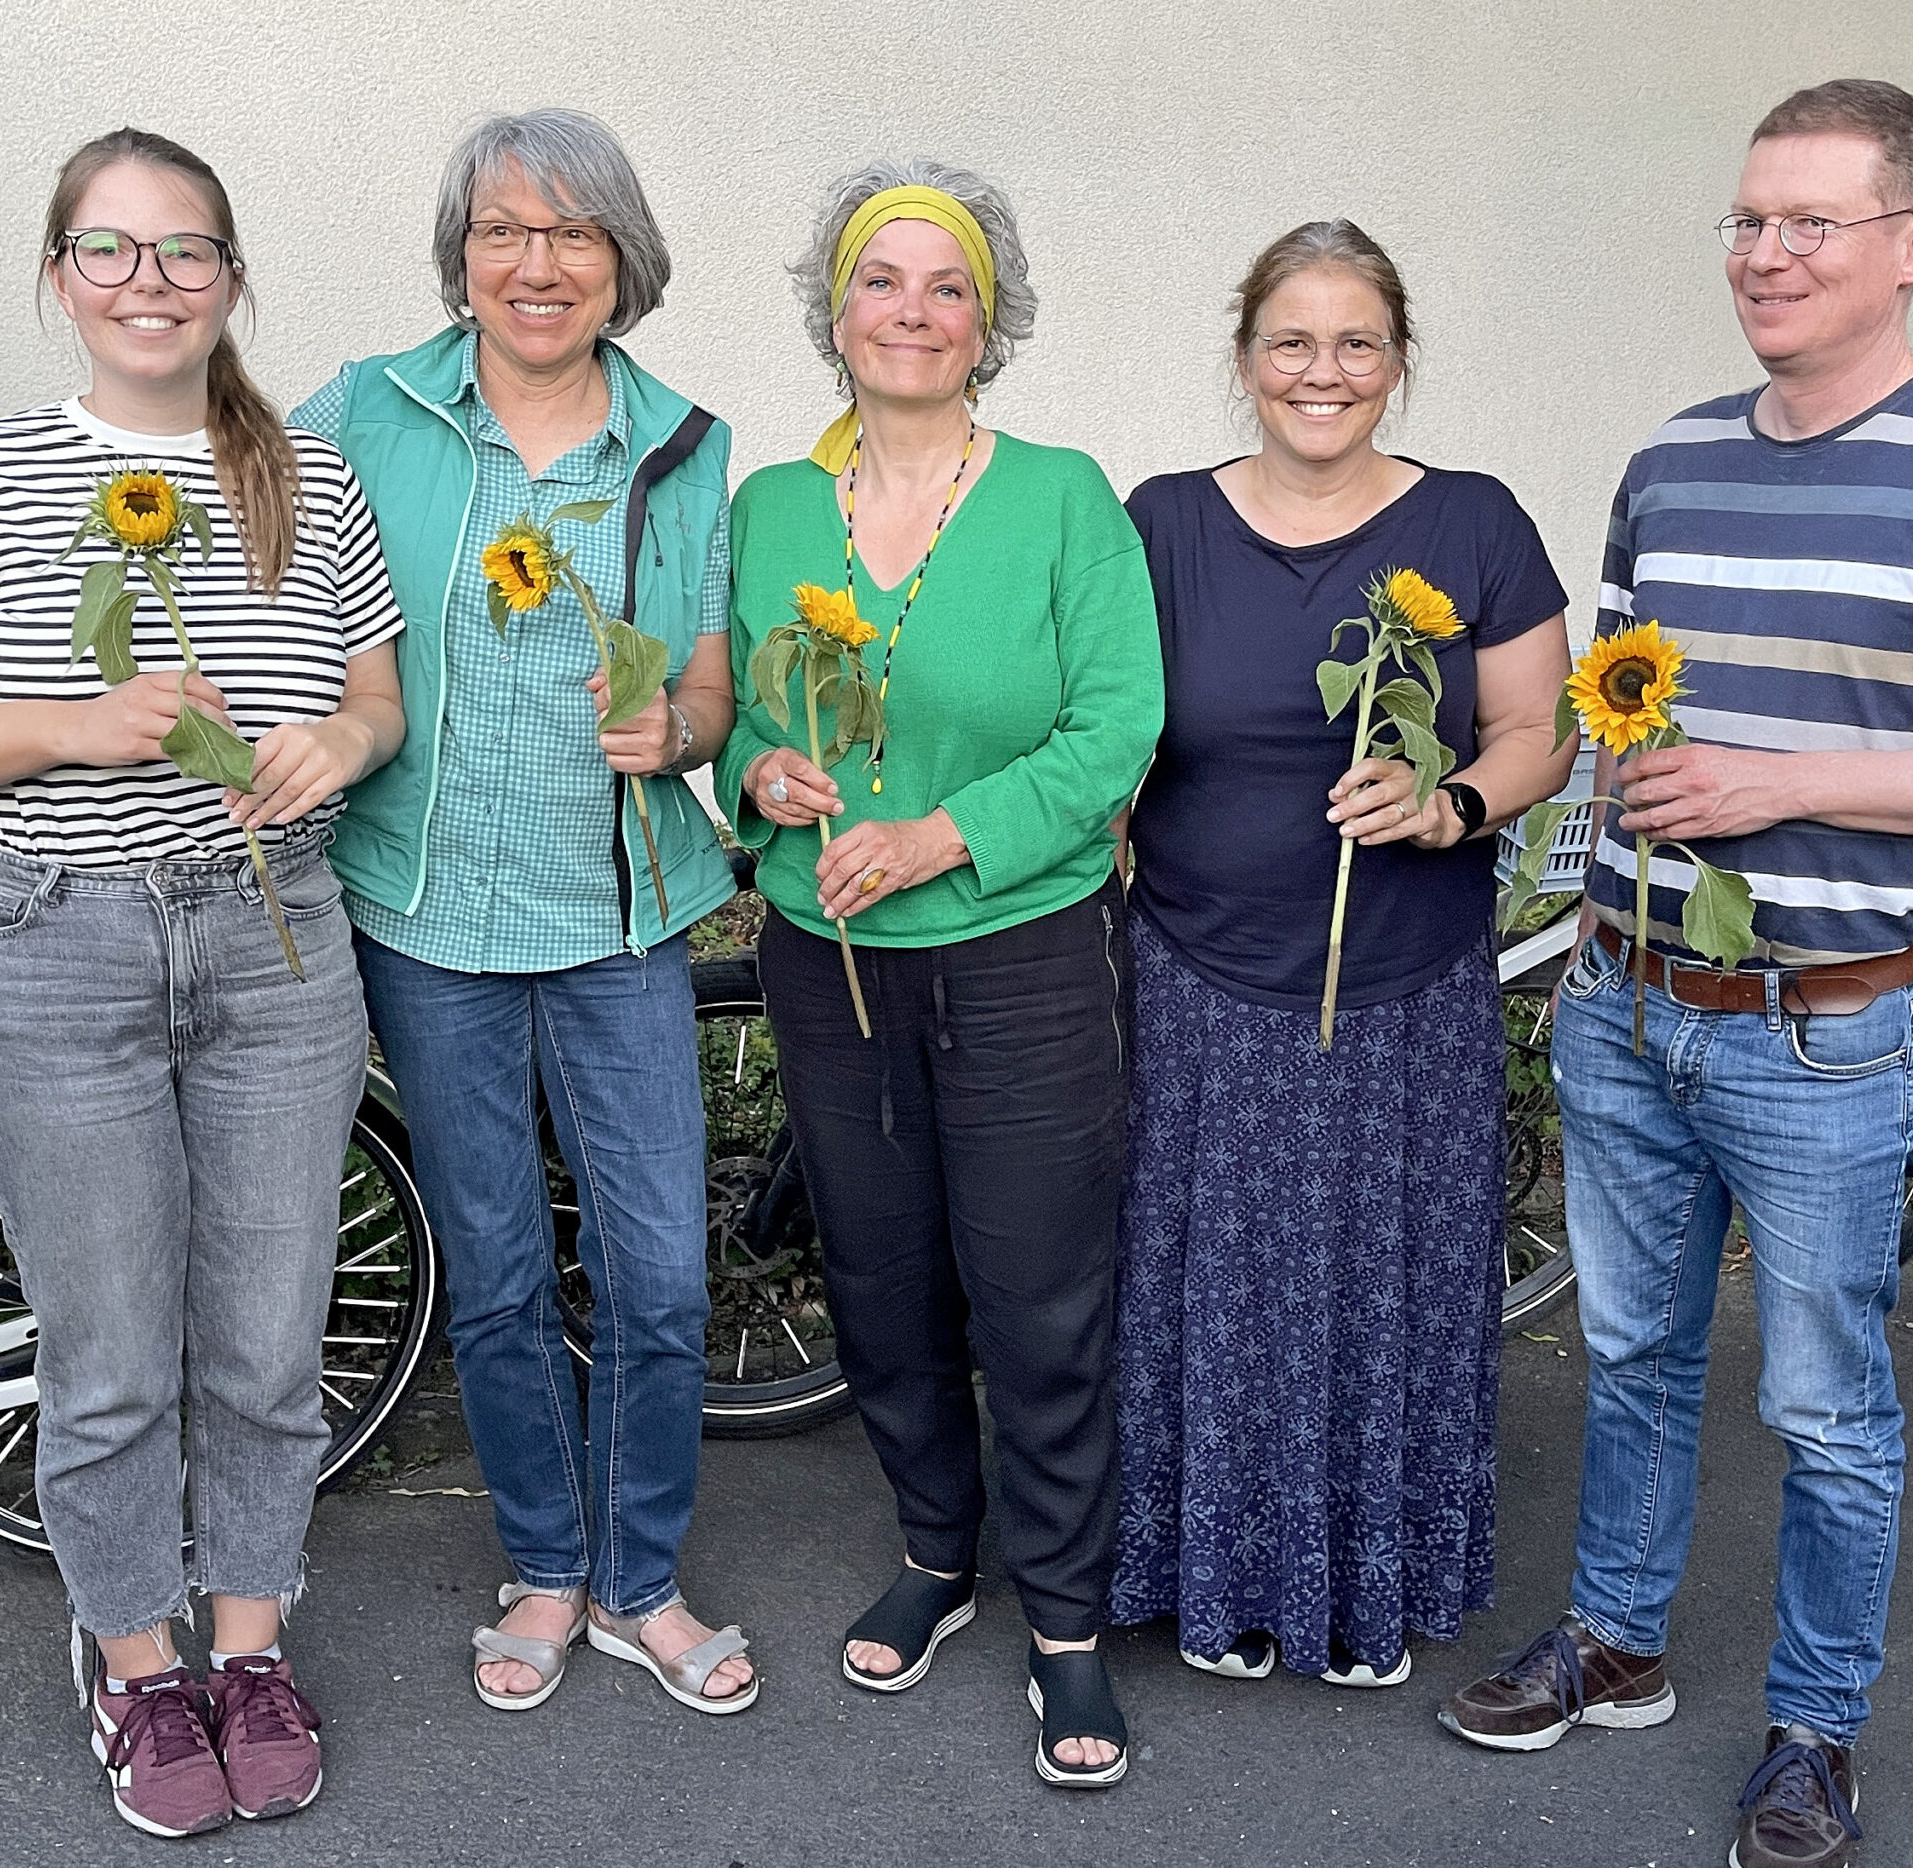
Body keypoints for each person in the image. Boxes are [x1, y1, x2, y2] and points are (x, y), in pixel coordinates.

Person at [0, 110, 757, 1719]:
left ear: (624, 255)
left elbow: (695, 678)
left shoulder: (687, 447)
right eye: (502, 230)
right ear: (461, 257)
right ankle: (546, 1573)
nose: (535, 262)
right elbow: (151, 455)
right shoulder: (366, 415)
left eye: (572, 233)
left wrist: (684, 734)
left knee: (658, 1279)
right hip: (411, 915)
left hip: (618, 910)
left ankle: (642, 1582)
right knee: (488, 1274)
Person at [1437, 81, 1913, 1868]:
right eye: (1748, 220)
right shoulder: (1670, 457)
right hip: (1624, 1001)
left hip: (1824, 1028)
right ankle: (1619, 1641)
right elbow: (1611, 709)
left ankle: (1817, 1730)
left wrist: (1786, 784)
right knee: (1637, 1356)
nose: (1767, 254)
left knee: (1823, 1399)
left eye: (1812, 221)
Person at [0, 128, 407, 1837]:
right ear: (59, 276)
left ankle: (250, 1645)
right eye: (109, 251)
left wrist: (336, 745)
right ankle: (137, 1663)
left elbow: (377, 700)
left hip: (273, 939)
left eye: (185, 252)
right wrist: (72, 725)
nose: (148, 283)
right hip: (56, 938)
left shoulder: (308, 478)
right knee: (107, 1357)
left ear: (233, 277)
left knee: (263, 1339)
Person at [719, 159, 1163, 1788]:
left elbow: (1116, 728)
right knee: (883, 1279)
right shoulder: (769, 506)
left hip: (1027, 955)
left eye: (947, 285)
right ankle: (935, 1548)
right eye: (880, 281)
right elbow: (749, 716)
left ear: (992, 319)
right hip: (829, 957)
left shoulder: (1062, 498)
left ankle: (1064, 1621)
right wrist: (761, 780)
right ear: (832, 313)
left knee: (1041, 1296)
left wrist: (943, 836)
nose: (912, 311)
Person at [1109, 222, 1575, 1689]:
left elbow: (1537, 736)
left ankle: (1372, 1590)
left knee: (1389, 1290)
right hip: (1195, 977)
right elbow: (1108, 735)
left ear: (1399, 361)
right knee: (1212, 1293)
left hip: (1403, 992)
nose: (1324, 371)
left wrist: (1452, 805)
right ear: (1244, 361)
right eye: (1290, 342)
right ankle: (1212, 1581)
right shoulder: (1163, 520)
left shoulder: (1476, 524)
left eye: (1356, 342)